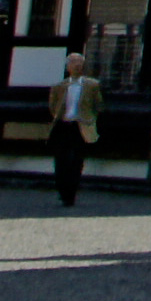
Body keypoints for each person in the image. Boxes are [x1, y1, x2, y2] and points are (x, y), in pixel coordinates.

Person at [48, 68, 101, 209]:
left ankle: (70, 193)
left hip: (81, 125)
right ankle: (62, 190)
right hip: (63, 124)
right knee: (61, 159)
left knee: (77, 160)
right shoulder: (59, 86)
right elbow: (53, 105)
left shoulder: (92, 86)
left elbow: (98, 105)